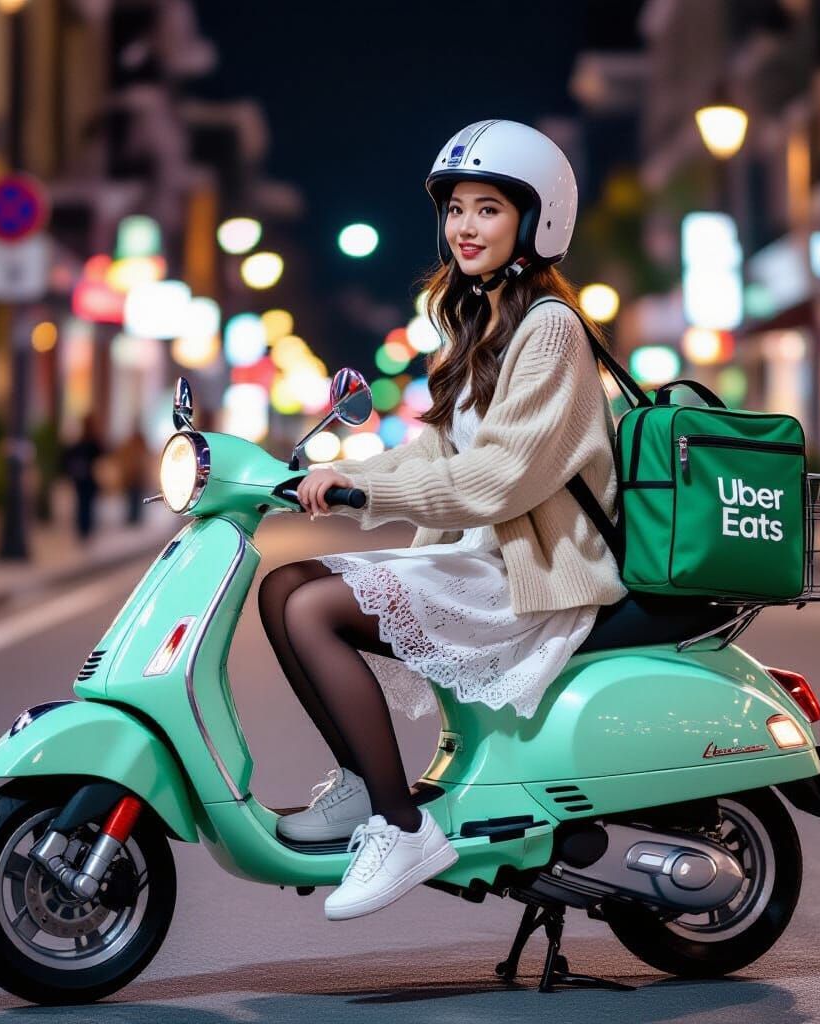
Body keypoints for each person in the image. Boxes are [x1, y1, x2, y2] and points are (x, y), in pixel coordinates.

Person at [258, 120, 627, 922]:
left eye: (489, 208)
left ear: (536, 221)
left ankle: (403, 825)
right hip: (481, 562)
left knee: (314, 606)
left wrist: (367, 500)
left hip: (530, 579)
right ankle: (362, 786)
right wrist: (326, 478)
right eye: (457, 208)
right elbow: (431, 455)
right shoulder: (480, 325)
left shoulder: (551, 331)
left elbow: (498, 479)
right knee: (283, 583)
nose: (465, 226)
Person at [61, 414, 105, 541]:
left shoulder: (85, 442)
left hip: (84, 480)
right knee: (86, 505)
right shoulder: (91, 442)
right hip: (87, 480)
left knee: (83, 504)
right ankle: (84, 529)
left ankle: (83, 529)